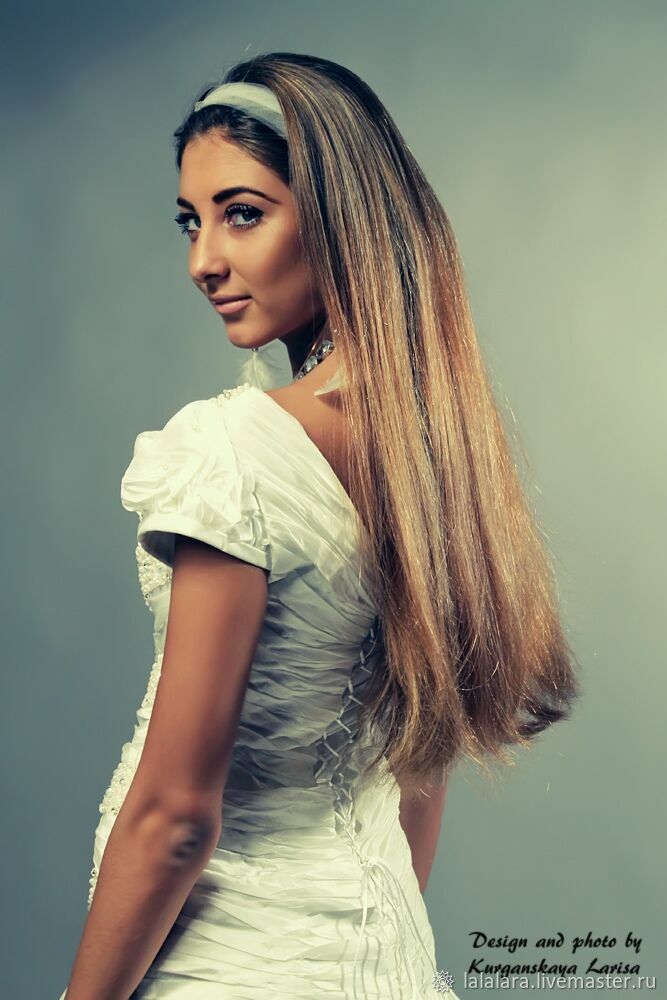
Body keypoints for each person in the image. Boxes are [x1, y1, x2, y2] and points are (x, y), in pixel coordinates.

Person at [58, 52, 581, 999]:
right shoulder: (437, 457)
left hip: (231, 969)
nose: (202, 260)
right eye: (190, 221)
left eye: (242, 213)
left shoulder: (237, 450)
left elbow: (174, 817)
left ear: (338, 216)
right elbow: (420, 773)